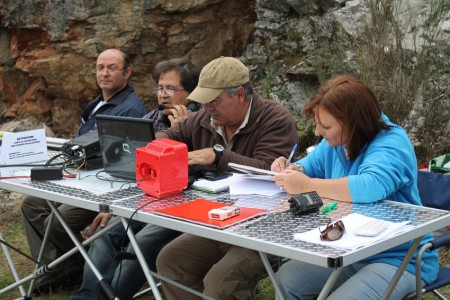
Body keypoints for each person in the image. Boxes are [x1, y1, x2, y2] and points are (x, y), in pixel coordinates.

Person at [271, 75, 439, 300]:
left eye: (326, 126)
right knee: (286, 280)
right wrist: (292, 169)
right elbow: (308, 166)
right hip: (349, 250)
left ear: (352, 122)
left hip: (399, 256)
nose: (318, 132)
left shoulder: (391, 143)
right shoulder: (336, 142)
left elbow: (370, 186)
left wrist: (307, 185)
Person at [155, 56, 298, 300]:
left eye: (215, 100)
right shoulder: (203, 118)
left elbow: (270, 171)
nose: (207, 107)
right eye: (204, 100)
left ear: (240, 94)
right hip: (216, 222)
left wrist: (217, 156)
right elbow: (165, 139)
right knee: (171, 261)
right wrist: (156, 149)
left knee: (220, 281)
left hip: (263, 230)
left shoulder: (276, 119)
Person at [70, 58, 202, 300]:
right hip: (143, 197)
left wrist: (185, 129)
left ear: (192, 93)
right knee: (105, 232)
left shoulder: (202, 120)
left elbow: (197, 168)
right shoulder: (150, 118)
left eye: (171, 89)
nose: (163, 95)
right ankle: (86, 297)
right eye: (160, 88)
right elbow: (133, 168)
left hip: (183, 205)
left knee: (139, 242)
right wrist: (118, 205)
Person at [21, 48, 147, 293]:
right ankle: (55, 268)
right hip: (76, 176)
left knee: (57, 223)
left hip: (103, 187)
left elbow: (124, 162)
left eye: (112, 68)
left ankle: (80, 267)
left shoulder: (130, 109)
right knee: (32, 204)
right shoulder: (97, 103)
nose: (105, 73)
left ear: (127, 73)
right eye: (100, 67)